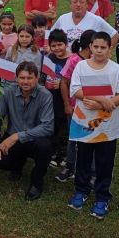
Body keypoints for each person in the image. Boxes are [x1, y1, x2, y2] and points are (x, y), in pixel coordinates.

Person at [67, 31, 119, 220]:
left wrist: (101, 103)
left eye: (103, 47)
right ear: (90, 47)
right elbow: (75, 90)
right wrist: (100, 99)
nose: (99, 50)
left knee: (104, 162)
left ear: (110, 48)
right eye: (96, 47)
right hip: (83, 124)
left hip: (106, 128)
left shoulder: (116, 69)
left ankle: (102, 197)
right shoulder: (81, 66)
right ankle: (81, 190)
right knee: (83, 159)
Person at [0, 61, 54, 201]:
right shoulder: (8, 91)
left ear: (37, 78)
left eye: (29, 78)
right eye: (22, 78)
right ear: (16, 78)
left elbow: (47, 126)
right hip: (12, 137)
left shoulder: (45, 95)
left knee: (45, 148)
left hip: (34, 139)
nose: (25, 81)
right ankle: (17, 166)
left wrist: (18, 136)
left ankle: (36, 182)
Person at [55, 30, 94, 183]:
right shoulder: (74, 60)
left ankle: (91, 171)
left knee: (91, 138)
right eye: (95, 45)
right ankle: (70, 166)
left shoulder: (97, 61)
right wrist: (66, 105)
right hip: (74, 107)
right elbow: (64, 83)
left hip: (91, 108)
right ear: (89, 45)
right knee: (73, 139)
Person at [50, 0, 118, 49]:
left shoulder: (96, 20)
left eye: (81, 2)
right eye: (75, 2)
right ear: (70, 5)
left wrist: (106, 52)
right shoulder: (62, 19)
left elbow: (114, 35)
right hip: (65, 61)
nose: (78, 4)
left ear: (87, 5)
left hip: (86, 62)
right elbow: (51, 35)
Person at [45, 29, 70, 169]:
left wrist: (62, 83)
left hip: (66, 99)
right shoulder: (49, 57)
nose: (57, 48)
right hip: (51, 98)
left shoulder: (72, 60)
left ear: (66, 44)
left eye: (60, 44)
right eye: (53, 45)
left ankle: (64, 153)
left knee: (65, 127)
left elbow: (76, 80)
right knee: (53, 125)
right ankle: (53, 152)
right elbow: (45, 75)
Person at [4, 24, 41, 88]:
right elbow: (5, 66)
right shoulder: (11, 49)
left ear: (32, 38)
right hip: (12, 83)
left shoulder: (36, 52)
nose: (24, 39)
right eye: (21, 36)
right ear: (18, 36)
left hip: (27, 84)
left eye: (27, 36)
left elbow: (37, 71)